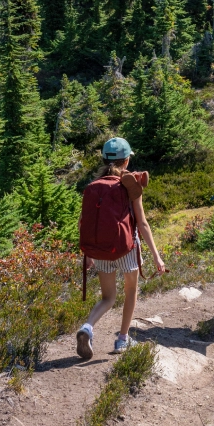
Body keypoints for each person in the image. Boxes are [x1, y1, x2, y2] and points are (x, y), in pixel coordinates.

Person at [76, 138, 166, 360]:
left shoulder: (93, 187)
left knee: (108, 297)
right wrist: (157, 256)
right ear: (126, 161)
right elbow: (142, 223)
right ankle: (122, 339)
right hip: (127, 248)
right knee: (130, 292)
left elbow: (84, 223)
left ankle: (87, 327)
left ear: (104, 160)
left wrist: (87, 255)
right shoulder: (130, 185)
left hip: (101, 250)